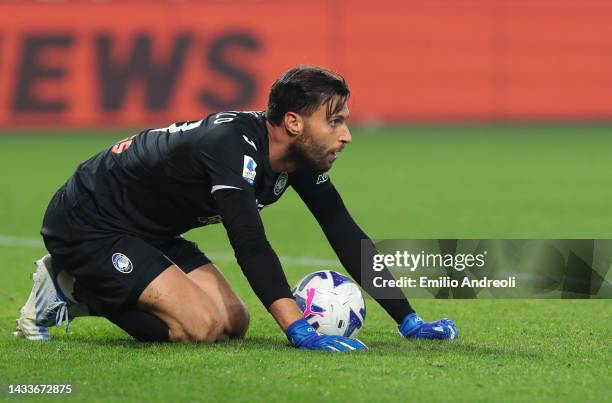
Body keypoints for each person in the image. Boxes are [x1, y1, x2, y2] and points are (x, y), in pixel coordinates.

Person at [13, 65, 458, 351]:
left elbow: (341, 228)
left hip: (148, 229)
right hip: (89, 220)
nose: (346, 136)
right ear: (294, 122)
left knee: (234, 322)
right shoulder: (231, 145)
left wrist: (408, 318)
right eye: (335, 121)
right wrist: (296, 329)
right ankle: (69, 286)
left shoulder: (297, 155)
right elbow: (248, 239)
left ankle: (90, 285)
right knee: (199, 327)